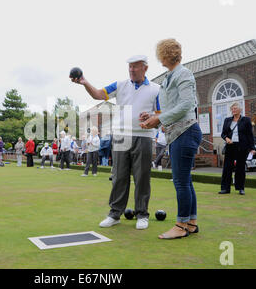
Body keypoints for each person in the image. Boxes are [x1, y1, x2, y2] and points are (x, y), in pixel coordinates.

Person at [71, 54, 160, 230]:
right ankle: (115, 214)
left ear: (145, 68)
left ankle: (142, 214)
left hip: (144, 136)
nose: (132, 70)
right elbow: (98, 94)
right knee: (119, 176)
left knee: (142, 177)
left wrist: (151, 116)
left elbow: (160, 113)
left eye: (135, 66)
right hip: (120, 135)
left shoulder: (156, 89)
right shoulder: (120, 85)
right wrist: (85, 82)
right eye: (130, 67)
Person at [140, 38, 202, 239]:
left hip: (186, 133)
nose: (159, 58)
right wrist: (153, 118)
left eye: (160, 54)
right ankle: (191, 223)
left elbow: (186, 105)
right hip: (177, 133)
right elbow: (170, 109)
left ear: (164, 55)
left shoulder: (183, 74)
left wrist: (159, 118)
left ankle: (181, 225)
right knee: (185, 181)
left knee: (181, 182)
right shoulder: (170, 76)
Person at [219, 102, 256, 195]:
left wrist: (252, 148)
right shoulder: (227, 120)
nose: (233, 110)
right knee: (227, 168)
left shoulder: (246, 120)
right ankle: (225, 188)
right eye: (232, 109)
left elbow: (250, 135)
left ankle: (240, 188)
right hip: (230, 147)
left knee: (240, 168)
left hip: (242, 147)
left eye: (235, 108)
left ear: (240, 110)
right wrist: (226, 139)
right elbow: (223, 134)